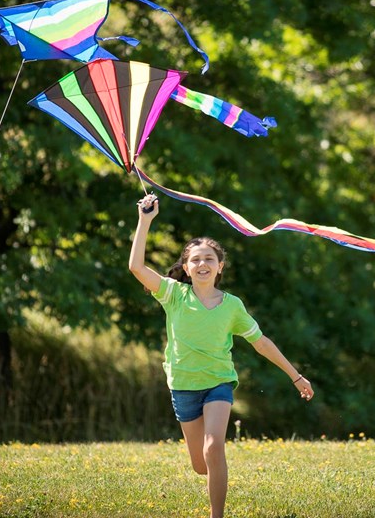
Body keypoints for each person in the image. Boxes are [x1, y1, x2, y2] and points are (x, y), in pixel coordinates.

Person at [129, 194, 314, 518]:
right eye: (196, 260)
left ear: (220, 266)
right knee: (201, 465)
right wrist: (145, 221)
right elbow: (136, 267)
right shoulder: (173, 293)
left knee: (214, 448)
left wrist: (295, 376)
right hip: (184, 386)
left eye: (209, 259)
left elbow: (262, 343)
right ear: (186, 267)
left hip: (219, 384)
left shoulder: (232, 306)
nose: (203, 264)